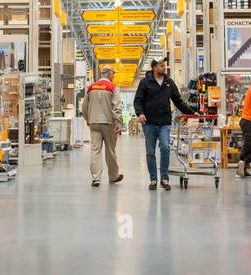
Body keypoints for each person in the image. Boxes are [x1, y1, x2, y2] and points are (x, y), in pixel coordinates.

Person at [133, 59, 197, 191]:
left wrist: (192, 113)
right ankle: (153, 179)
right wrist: (140, 114)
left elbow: (178, 101)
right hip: (149, 123)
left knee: (165, 148)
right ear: (154, 68)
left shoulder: (169, 82)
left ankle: (164, 178)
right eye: (162, 66)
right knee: (150, 152)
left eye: (165, 65)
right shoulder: (145, 82)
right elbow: (138, 101)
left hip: (165, 123)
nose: (165, 68)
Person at [82, 67, 123, 187]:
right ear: (109, 74)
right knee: (110, 150)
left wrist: (88, 120)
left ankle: (96, 178)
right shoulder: (113, 88)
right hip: (108, 123)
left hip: (94, 122)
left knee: (95, 150)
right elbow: (116, 107)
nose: (114, 76)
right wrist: (118, 123)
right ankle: (113, 177)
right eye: (113, 74)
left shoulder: (91, 88)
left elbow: (84, 107)